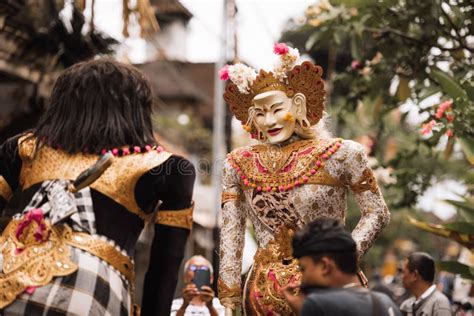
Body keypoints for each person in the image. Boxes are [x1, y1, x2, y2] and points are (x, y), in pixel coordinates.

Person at [0, 58, 196, 315]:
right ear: (138, 109)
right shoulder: (166, 166)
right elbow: (163, 271)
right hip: (92, 294)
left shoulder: (24, 148)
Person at [218, 42, 391, 314]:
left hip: (330, 286)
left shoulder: (342, 154)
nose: (269, 120)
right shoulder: (238, 163)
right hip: (261, 297)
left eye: (276, 109)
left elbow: (377, 213)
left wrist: (342, 260)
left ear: (297, 105)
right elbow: (232, 234)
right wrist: (228, 297)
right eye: (260, 113)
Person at [282, 217, 401, 316]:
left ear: (325, 266)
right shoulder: (385, 302)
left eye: (303, 269)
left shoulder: (316, 304)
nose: (302, 279)